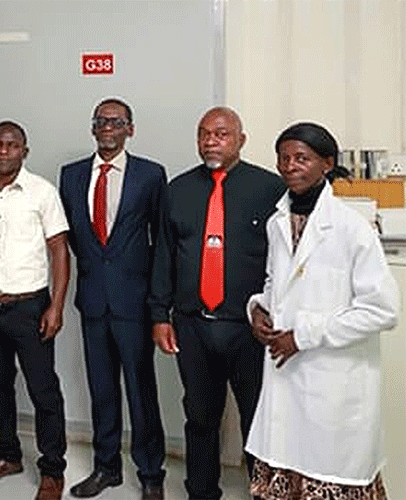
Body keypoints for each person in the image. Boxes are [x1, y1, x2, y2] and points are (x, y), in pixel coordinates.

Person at [245, 122, 399, 500]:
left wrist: (305, 334)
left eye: (302, 158)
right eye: (284, 158)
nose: (290, 166)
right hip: (287, 372)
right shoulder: (276, 223)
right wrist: (258, 310)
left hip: (334, 378)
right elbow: (275, 284)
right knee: (287, 464)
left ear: (327, 163)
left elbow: (383, 310)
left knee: (329, 472)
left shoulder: (352, 228)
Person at [148, 107, 286, 500]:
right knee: (200, 417)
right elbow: (164, 257)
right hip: (193, 324)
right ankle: (201, 491)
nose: (211, 141)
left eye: (221, 134)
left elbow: (285, 259)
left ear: (241, 139)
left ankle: (264, 492)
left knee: (258, 419)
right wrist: (160, 316)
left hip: (250, 329)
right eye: (204, 134)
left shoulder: (271, 189)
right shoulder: (178, 190)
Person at [59, 98, 167, 500]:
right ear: (93, 128)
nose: (108, 127)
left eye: (116, 121)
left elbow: (161, 243)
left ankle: (151, 473)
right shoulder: (70, 176)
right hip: (92, 302)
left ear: (130, 129)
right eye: (101, 121)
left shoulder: (150, 175)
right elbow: (71, 236)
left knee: (141, 391)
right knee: (101, 389)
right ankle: (107, 469)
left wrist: (159, 303)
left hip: (134, 303)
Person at [0, 120, 71, 500]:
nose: (4, 151)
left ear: (24, 151)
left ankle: (53, 471)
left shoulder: (42, 193)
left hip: (30, 307)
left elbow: (59, 249)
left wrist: (55, 307)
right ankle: (7, 455)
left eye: (13, 145)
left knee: (43, 390)